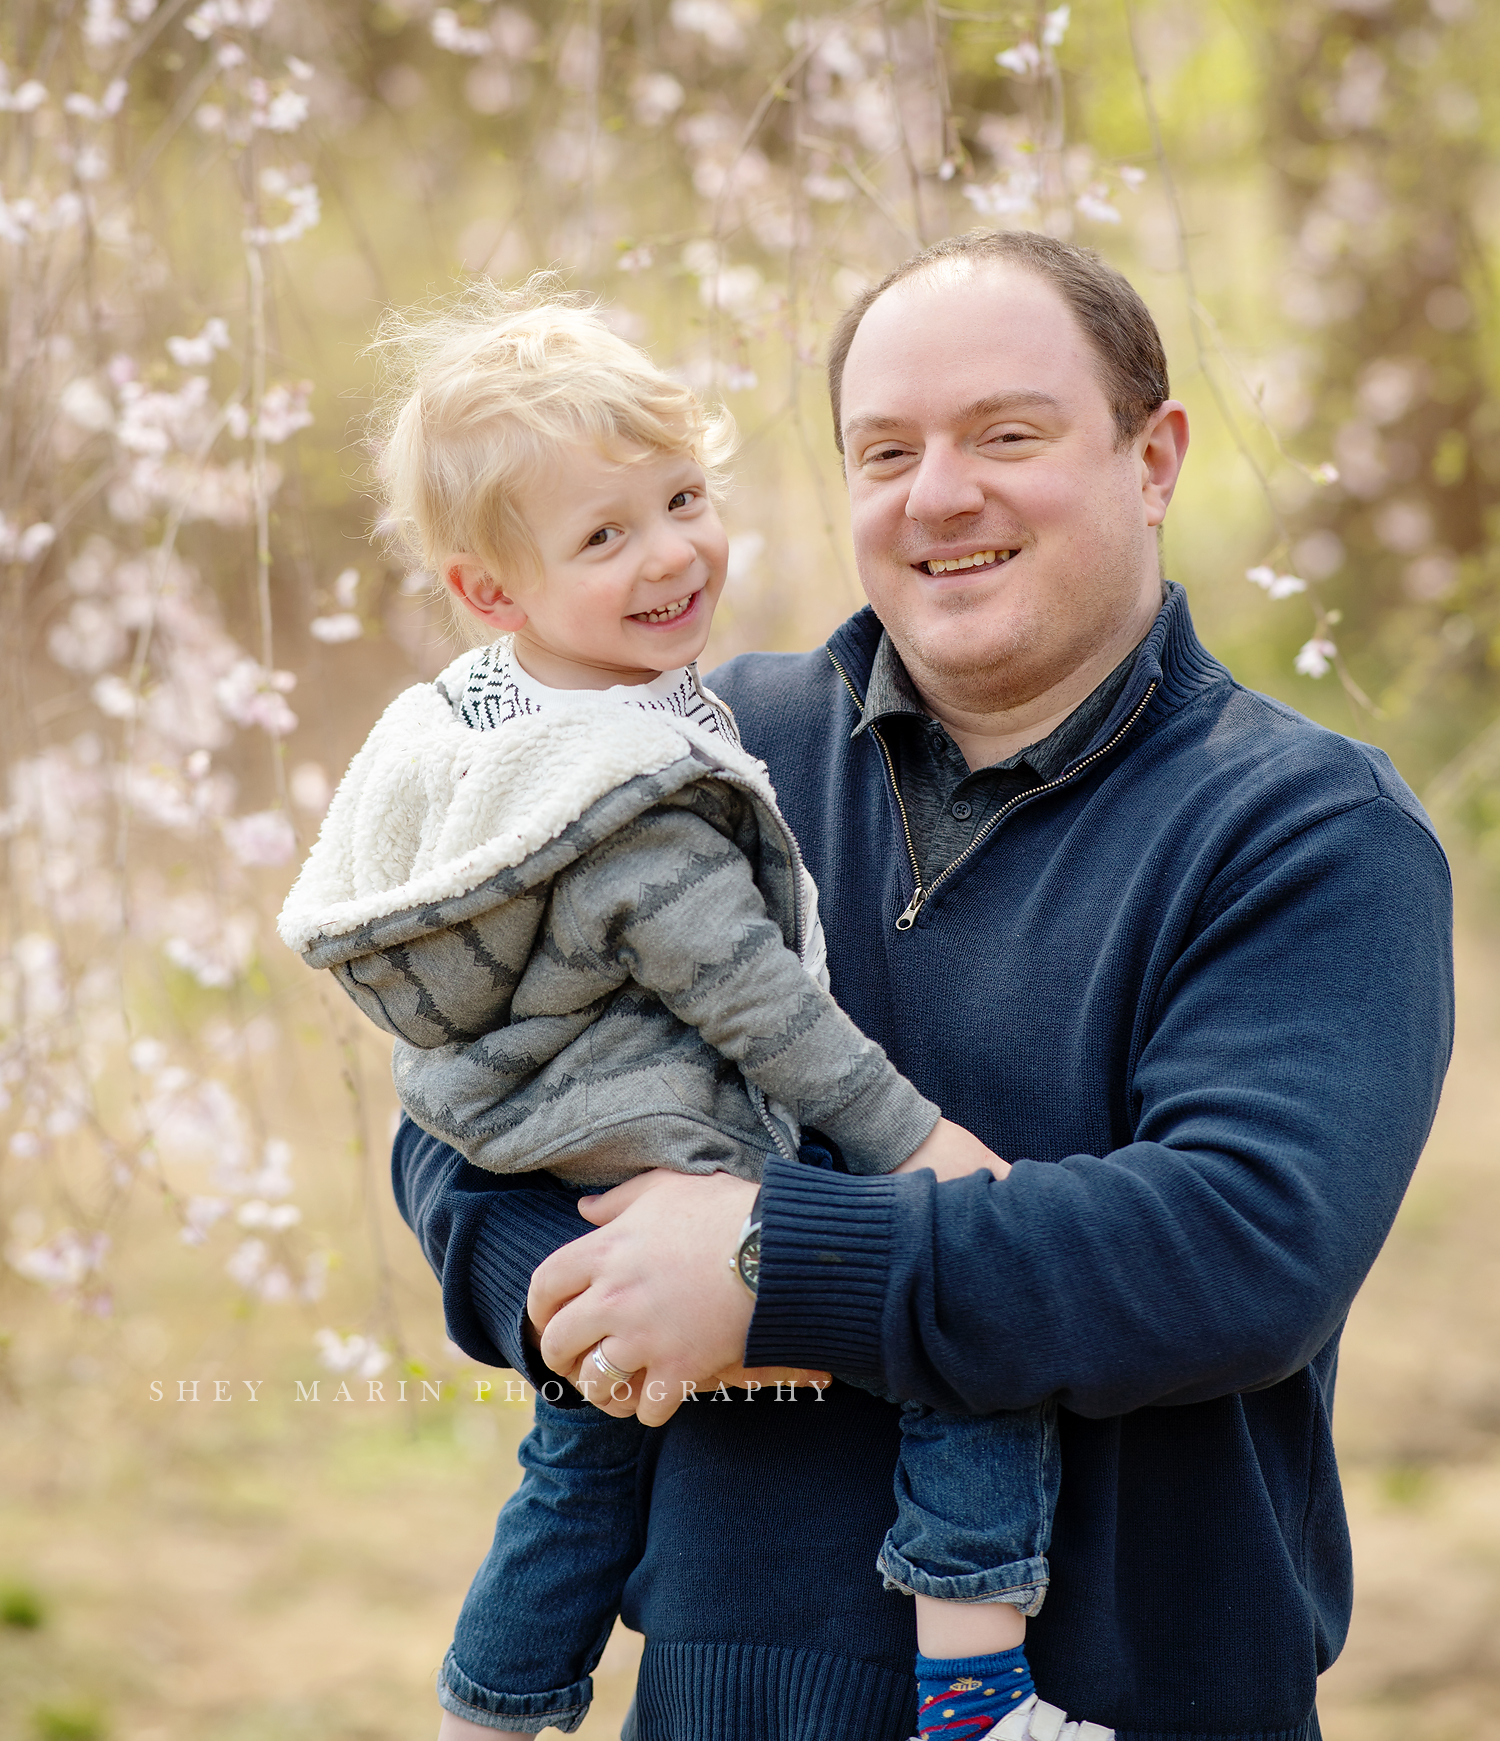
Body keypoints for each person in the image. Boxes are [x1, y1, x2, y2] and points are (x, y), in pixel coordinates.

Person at [391, 229, 1453, 1741]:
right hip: (722, 1702)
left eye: (1006, 435)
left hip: (1130, 1703)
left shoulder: (1305, 829)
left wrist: (769, 1277)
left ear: (1153, 459)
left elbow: (1237, 1248)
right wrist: (605, 1300)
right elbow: (462, 1114)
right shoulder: (694, 756)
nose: (938, 493)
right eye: (885, 449)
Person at [278, 278, 1114, 1741]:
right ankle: (978, 1694)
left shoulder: (506, 744)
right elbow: (766, 1009)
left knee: (580, 1462)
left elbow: (1249, 1241)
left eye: (684, 497)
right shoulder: (647, 791)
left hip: (581, 1134)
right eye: (606, 535)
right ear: (492, 591)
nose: (672, 555)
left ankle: (491, 1709)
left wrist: (690, 1283)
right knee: (967, 1336)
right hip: (680, 1148)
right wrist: (907, 1159)